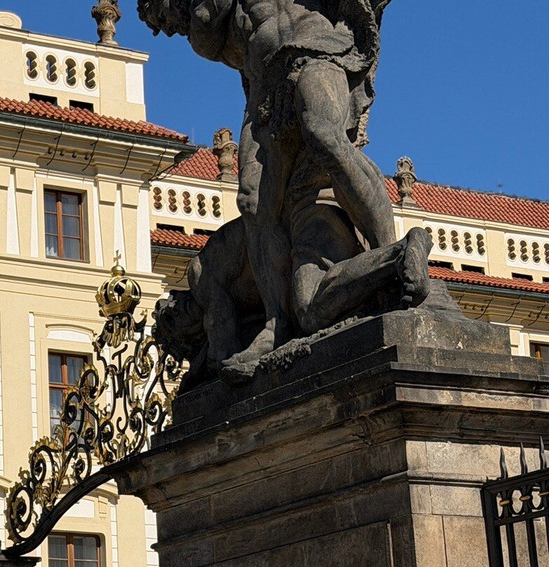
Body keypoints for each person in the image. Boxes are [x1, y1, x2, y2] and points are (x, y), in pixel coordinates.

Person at [141, 0, 398, 368]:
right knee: (253, 201)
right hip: (266, 84)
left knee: (325, 136)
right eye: (161, 16)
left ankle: (390, 250)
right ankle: (276, 321)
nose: (166, 19)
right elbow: (206, 20)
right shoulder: (203, 32)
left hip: (318, 51)